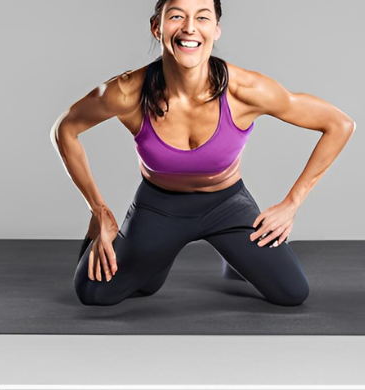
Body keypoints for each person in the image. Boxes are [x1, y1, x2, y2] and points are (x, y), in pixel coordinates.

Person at [53, 0, 355, 306]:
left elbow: (339, 124)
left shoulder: (247, 90)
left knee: (292, 292)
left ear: (216, 29)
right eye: (176, 16)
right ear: (157, 27)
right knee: (93, 293)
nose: (189, 27)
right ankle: (150, 257)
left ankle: (234, 258)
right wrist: (99, 210)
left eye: (202, 17)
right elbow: (64, 129)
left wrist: (292, 204)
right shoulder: (127, 93)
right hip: (159, 207)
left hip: (227, 205)